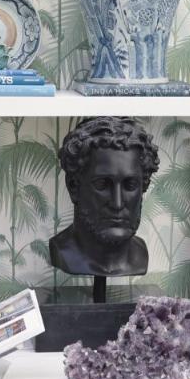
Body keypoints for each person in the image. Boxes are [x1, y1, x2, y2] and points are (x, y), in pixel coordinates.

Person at [48, 116, 160, 281]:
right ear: (73, 187)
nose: (117, 204)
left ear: (144, 186)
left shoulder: (140, 253)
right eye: (102, 185)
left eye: (130, 185)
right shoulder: (61, 251)